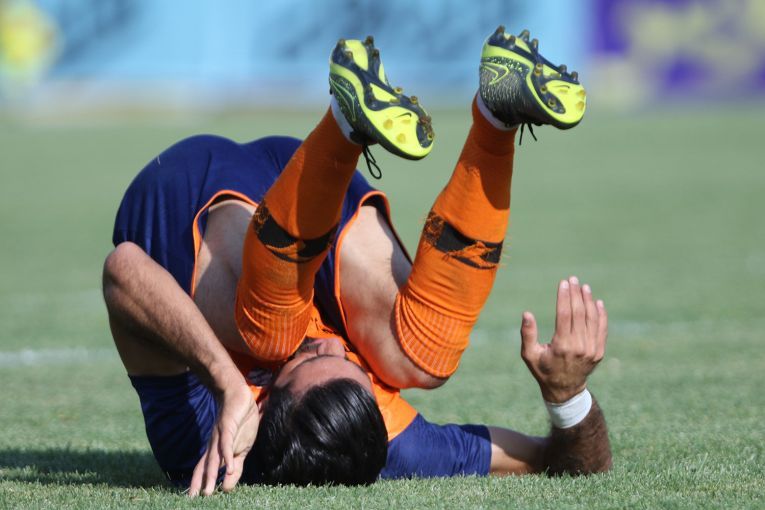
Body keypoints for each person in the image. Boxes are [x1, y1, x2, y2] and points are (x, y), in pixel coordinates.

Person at [102, 27, 611, 497]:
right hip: (312, 194)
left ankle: (344, 127)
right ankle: (496, 117)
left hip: (192, 193)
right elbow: (562, 463)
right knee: (423, 360)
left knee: (269, 338)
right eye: (351, 364)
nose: (329, 342)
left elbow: (123, 269)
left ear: (269, 401)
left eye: (309, 359)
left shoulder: (201, 447)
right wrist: (567, 398)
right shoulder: (394, 445)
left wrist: (227, 383)